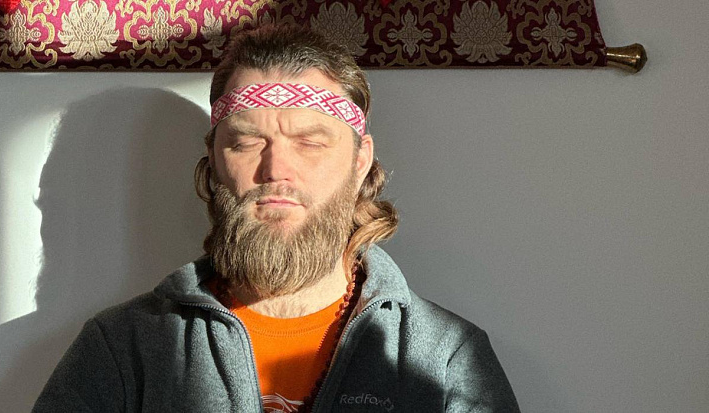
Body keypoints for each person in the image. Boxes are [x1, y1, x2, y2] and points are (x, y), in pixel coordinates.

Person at [33, 24, 519, 412]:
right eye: (246, 142)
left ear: (360, 160)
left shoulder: (448, 359)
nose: (275, 169)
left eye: (309, 142)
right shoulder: (124, 350)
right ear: (214, 161)